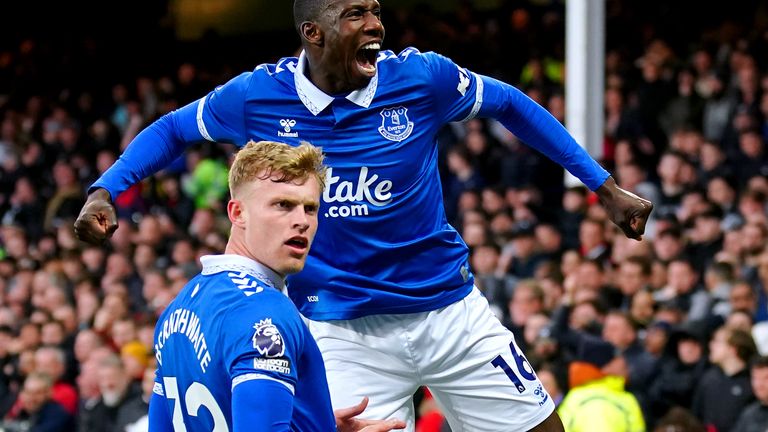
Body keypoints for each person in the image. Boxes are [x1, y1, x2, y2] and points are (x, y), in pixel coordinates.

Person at [74, 1, 653, 430]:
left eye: (376, 13)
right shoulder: (257, 96)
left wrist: (603, 187)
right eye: (356, 15)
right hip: (339, 332)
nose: (375, 26)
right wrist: (107, 188)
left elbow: (507, 102)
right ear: (314, 33)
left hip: (448, 310)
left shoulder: (420, 78)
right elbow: (175, 128)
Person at [147, 140, 403, 431]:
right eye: (283, 205)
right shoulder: (266, 314)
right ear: (237, 213)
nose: (302, 221)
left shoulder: (178, 306)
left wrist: (316, 425)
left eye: (310, 208)